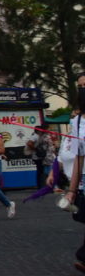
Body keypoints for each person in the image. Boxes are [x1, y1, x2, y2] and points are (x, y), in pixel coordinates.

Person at [63, 72, 85, 273]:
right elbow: (79, 157)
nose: (83, 90)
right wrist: (72, 190)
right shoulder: (77, 121)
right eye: (81, 86)